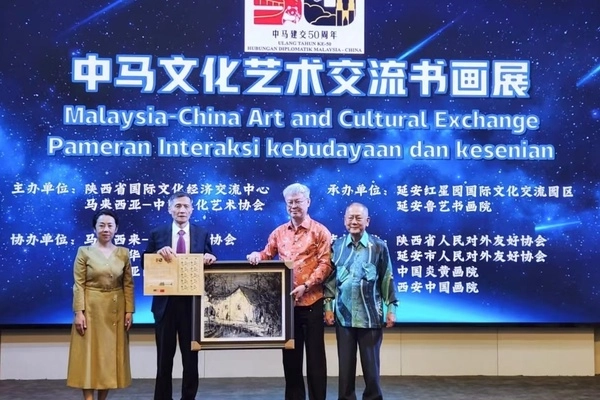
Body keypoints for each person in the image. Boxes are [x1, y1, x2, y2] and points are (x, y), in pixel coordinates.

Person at [247, 183, 332, 400]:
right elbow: (267, 254)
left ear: (308, 202)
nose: (294, 206)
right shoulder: (278, 233)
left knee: (315, 359)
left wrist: (307, 285)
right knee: (291, 359)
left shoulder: (320, 231)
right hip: (287, 306)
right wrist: (257, 255)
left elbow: (325, 264)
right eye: (290, 202)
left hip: (312, 302)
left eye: (298, 201)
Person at [144, 192, 217, 400]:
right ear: (170, 209)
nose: (182, 210)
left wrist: (211, 257)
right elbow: (144, 263)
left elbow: (210, 263)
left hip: (192, 305)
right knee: (164, 360)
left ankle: (188, 397)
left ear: (192, 209)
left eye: (186, 206)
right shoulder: (157, 233)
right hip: (165, 305)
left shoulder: (202, 233)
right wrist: (157, 255)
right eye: (177, 206)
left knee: (190, 359)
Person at [324, 202, 398, 400]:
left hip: (371, 316)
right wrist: (328, 307)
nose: (354, 221)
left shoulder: (379, 247)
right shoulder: (337, 246)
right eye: (350, 218)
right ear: (344, 221)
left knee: (371, 368)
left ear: (367, 221)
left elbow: (387, 279)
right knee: (345, 367)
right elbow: (330, 281)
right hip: (343, 317)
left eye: (358, 218)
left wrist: (391, 308)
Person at [67, 209, 134, 400]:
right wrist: (79, 312)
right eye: (101, 225)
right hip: (90, 308)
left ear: (116, 229)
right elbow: (78, 284)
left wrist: (129, 311)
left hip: (115, 310)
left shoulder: (123, 253)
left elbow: (128, 284)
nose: (106, 229)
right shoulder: (84, 252)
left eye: (110, 225)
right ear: (94, 228)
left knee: (108, 357)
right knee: (88, 355)